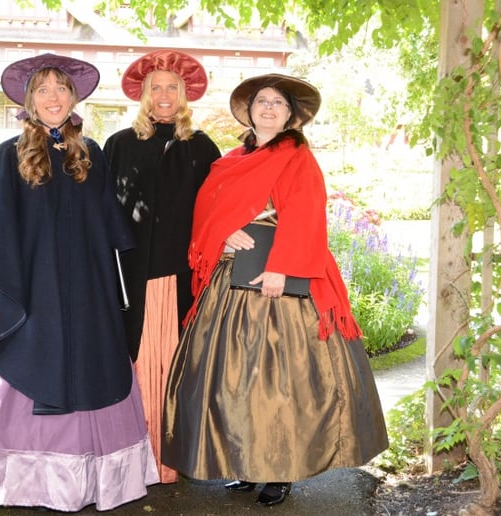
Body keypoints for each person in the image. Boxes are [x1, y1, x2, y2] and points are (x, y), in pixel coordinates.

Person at [0, 53, 159, 512]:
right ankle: (13, 481)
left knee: (92, 373)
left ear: (74, 96)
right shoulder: (9, 155)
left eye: (61, 89)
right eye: (43, 90)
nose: (53, 97)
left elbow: (107, 231)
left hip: (85, 295)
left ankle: (76, 481)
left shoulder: (91, 155)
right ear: (29, 99)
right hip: (25, 290)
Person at [162, 73, 389, 506]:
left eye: (277, 104)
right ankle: (246, 464)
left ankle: (279, 469)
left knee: (276, 382)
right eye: (261, 102)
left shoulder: (297, 159)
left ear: (290, 116)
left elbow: (306, 214)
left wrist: (281, 269)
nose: (268, 108)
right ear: (249, 112)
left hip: (277, 283)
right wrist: (224, 233)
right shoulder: (228, 161)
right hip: (230, 283)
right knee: (232, 381)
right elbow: (206, 213)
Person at [103, 50, 221, 484]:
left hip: (181, 276)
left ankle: (171, 456)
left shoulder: (201, 146)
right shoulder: (117, 145)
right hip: (131, 274)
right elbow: (101, 211)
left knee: (177, 364)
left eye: (173, 87)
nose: (165, 95)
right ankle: (129, 455)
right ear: (144, 94)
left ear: (185, 94)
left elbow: (218, 208)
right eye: (157, 87)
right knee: (132, 359)